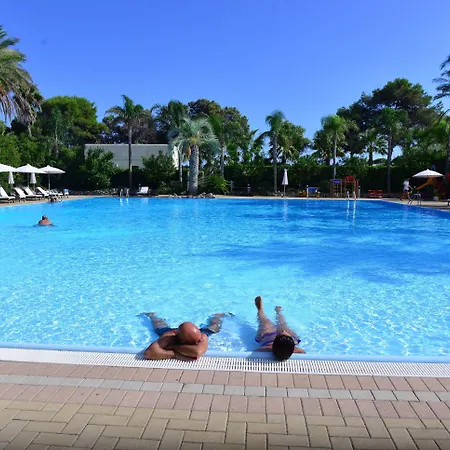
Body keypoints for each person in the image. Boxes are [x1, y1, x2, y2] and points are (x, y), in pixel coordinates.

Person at [142, 312, 230, 360]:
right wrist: (176, 354)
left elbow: (197, 352)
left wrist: (172, 347)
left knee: (214, 327)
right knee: (159, 326)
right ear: (183, 341)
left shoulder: (202, 336)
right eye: (195, 341)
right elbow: (149, 353)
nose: (200, 341)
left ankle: (217, 316)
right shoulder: (169, 336)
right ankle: (152, 316)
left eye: (198, 339)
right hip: (178, 334)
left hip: (190, 334)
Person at [254, 296, 305, 360]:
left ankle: (260, 310)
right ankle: (279, 312)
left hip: (268, 336)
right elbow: (303, 353)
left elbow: (254, 352)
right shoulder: (296, 350)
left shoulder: (267, 348)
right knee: (283, 324)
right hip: (287, 340)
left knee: (264, 322)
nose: (283, 331)